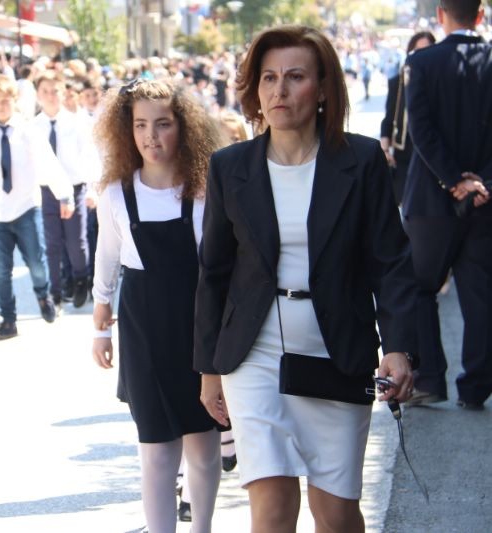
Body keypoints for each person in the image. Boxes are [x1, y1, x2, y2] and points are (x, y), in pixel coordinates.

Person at [194, 26, 418, 532]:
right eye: (268, 77)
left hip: (337, 352)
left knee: (335, 514)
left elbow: (391, 263)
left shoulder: (361, 161)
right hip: (255, 356)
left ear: (322, 88)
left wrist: (400, 347)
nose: (280, 90)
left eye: (295, 77)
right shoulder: (230, 166)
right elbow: (214, 273)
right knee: (271, 508)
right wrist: (209, 369)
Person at [92, 79, 223, 533]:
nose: (151, 136)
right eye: (141, 125)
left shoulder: (204, 191)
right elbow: (107, 258)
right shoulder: (116, 194)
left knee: (203, 446)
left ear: (183, 127)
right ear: (125, 131)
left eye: (163, 124)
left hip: (198, 326)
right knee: (155, 448)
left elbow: (221, 268)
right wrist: (100, 325)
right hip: (142, 327)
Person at [402, 0, 492, 410]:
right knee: (481, 294)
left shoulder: (421, 62)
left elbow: (421, 130)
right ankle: (475, 386)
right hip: (484, 199)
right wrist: (481, 181)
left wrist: (454, 178)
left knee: (419, 288)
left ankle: (430, 378)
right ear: (480, 14)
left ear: (440, 15)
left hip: (431, 199)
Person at [0, 74, 73, 341]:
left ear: (14, 101)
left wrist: (64, 195)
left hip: (26, 207)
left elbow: (48, 163)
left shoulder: (27, 131)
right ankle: (8, 319)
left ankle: (43, 295)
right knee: (1, 269)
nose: (0, 105)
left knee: (36, 262)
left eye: (5, 100)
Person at [33, 71, 99, 309]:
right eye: (45, 91)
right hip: (46, 191)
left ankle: (81, 279)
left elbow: (89, 156)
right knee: (51, 243)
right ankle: (56, 289)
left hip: (75, 187)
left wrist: (92, 189)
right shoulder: (33, 126)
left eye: (55, 91)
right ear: (38, 95)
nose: (50, 96)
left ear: (63, 93)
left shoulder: (76, 123)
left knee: (76, 241)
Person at [379, 31, 435, 205]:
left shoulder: (439, 80)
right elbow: (389, 116)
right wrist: (385, 150)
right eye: (417, 51)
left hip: (432, 152)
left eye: (428, 51)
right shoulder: (399, 81)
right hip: (404, 151)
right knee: (405, 203)